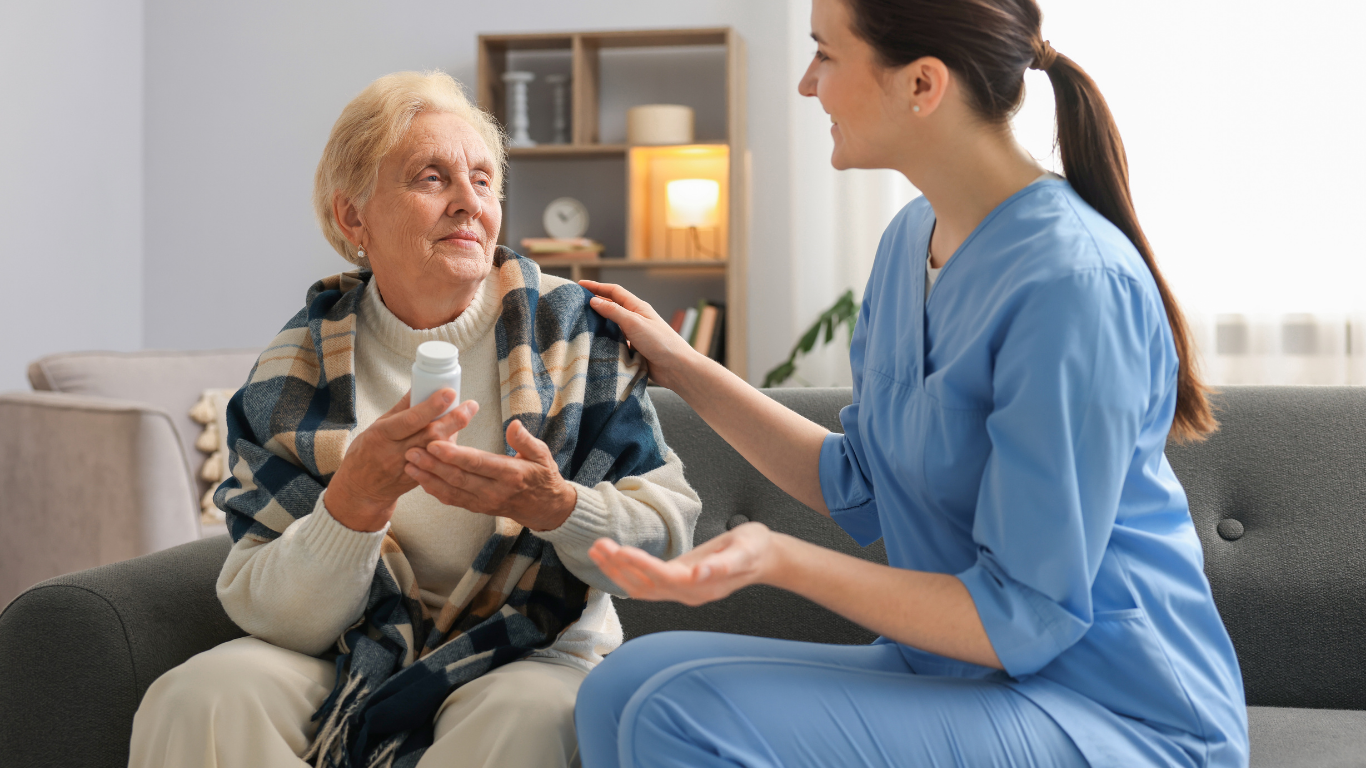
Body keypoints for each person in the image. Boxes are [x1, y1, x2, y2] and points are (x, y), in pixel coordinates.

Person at [573, 0, 1248, 766]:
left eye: (825, 54)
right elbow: (862, 480)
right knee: (619, 685)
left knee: (678, 714)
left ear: (922, 83)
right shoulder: (908, 243)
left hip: (1115, 710)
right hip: (964, 674)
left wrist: (780, 558)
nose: (805, 83)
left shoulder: (1071, 283)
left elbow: (1024, 616)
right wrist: (681, 367)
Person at [127, 71, 700, 768]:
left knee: (528, 719)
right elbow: (269, 610)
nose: (468, 203)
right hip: (348, 654)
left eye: (484, 181)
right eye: (432, 178)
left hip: (530, 654)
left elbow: (669, 535)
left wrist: (559, 508)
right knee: (199, 696)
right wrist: (352, 506)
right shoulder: (295, 366)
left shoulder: (572, 335)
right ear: (353, 218)